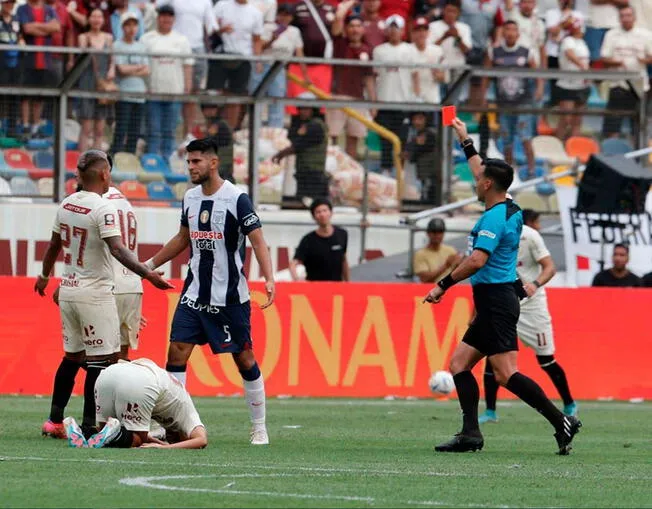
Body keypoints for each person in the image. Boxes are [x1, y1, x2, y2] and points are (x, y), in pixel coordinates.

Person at [423, 117, 581, 455]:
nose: (475, 179)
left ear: (488, 185)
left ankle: (561, 421)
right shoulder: (507, 206)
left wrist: (442, 285)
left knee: (507, 374)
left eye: (479, 178)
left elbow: (477, 261)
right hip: (497, 297)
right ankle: (470, 434)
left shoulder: (494, 218)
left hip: (496, 300)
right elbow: (485, 168)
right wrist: (465, 140)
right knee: (459, 365)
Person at [142, 137, 275, 445]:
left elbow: (258, 241)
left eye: (196, 161)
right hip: (194, 294)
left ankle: (259, 426)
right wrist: (147, 265)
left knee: (244, 359)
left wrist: (269, 279)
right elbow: (182, 238)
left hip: (230, 298)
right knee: (176, 353)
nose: (191, 167)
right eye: (188, 162)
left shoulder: (237, 199)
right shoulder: (189, 198)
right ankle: (175, 424)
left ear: (213, 163)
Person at [36, 150, 172, 440]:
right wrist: (147, 273)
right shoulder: (104, 207)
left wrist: (45, 276)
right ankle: (90, 427)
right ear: (104, 174)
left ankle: (55, 421)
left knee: (72, 357)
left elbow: (52, 247)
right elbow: (118, 250)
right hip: (96, 294)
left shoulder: (67, 203)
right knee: (104, 363)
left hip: (69, 291)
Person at [479, 209, 577, 425]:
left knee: (545, 359)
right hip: (504, 305)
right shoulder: (490, 234)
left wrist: (535, 284)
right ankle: (490, 411)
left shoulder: (530, 235)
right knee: (493, 356)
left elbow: (549, 267)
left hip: (532, 306)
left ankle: (569, 403)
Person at [64, 358, 207, 449]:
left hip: (109, 374)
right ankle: (116, 434)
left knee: (104, 431)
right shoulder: (188, 412)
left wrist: (161, 443)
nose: (169, 439)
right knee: (138, 440)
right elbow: (201, 440)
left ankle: (81, 432)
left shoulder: (174, 391)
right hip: (140, 381)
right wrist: (166, 447)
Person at [485, 20, 542, 176]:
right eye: (507, 29)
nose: (510, 32)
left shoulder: (526, 51)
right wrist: (483, 95)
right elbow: (485, 75)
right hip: (503, 104)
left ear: (518, 33)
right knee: (507, 140)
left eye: (513, 29)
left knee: (525, 138)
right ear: (503, 32)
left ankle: (531, 171)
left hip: (524, 102)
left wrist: (540, 89)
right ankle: (508, 172)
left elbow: (538, 74)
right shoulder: (494, 52)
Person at [155, 0, 216, 138]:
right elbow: (158, 8)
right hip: (174, 46)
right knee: (172, 90)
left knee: (191, 94)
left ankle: (187, 135)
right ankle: (168, 134)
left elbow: (211, 26)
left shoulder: (206, 2)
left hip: (197, 49)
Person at [141, 4, 193, 158]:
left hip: (175, 91)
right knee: (153, 130)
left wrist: (187, 87)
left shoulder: (181, 40)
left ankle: (167, 161)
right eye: (163, 15)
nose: (166, 19)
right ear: (158, 18)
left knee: (170, 130)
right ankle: (152, 161)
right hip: (153, 91)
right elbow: (142, 64)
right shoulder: (147, 39)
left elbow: (188, 65)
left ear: (173, 19)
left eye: (169, 16)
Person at [329, 4, 376, 159]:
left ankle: (350, 173)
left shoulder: (367, 49)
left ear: (363, 29)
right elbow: (337, 19)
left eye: (358, 26)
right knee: (332, 137)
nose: (355, 29)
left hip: (358, 99)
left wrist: (373, 102)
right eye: (351, 26)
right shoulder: (340, 44)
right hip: (337, 97)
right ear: (346, 28)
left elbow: (369, 78)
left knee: (353, 140)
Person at [251, 3, 309, 129]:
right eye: (281, 14)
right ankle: (254, 128)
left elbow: (300, 54)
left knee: (277, 99)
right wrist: (272, 39)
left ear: (292, 17)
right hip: (263, 65)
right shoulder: (268, 27)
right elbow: (259, 47)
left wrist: (305, 75)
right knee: (257, 99)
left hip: (279, 68)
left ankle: (275, 130)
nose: (284, 18)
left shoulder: (294, 31)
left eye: (287, 15)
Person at [103, 184, 144, 361]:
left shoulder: (99, 202)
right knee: (123, 353)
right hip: (132, 285)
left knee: (99, 352)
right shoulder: (126, 203)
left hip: (108, 283)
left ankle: (102, 388)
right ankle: (122, 388)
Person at [600, 5, 652, 139]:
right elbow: (604, 58)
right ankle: (610, 153)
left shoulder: (645, 35)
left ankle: (639, 155)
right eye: (622, 16)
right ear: (619, 18)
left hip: (639, 86)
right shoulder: (611, 34)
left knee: (639, 124)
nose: (625, 19)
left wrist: (644, 60)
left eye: (628, 15)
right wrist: (618, 63)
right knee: (613, 122)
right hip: (618, 83)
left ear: (634, 17)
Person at [210, 0, 263, 130]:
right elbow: (210, 28)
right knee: (213, 95)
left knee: (236, 97)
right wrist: (221, 30)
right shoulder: (222, 5)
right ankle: (211, 130)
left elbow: (257, 39)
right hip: (221, 54)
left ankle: (229, 133)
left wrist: (258, 60)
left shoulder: (255, 13)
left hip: (243, 58)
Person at [372, 14, 414, 175]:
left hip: (403, 102)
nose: (394, 31)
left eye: (397, 28)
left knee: (402, 140)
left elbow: (415, 75)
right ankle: (385, 172)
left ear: (403, 30)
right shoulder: (379, 51)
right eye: (392, 28)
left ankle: (400, 172)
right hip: (384, 101)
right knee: (385, 142)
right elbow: (374, 76)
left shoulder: (410, 50)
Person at [16, 0, 60, 138]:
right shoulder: (22, 8)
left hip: (45, 61)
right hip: (28, 59)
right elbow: (26, 28)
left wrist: (36, 26)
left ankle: (35, 126)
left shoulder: (49, 9)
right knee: (25, 95)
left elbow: (56, 27)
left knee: (39, 96)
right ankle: (25, 126)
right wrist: (46, 28)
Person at [272, 102, 329, 202]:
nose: (303, 112)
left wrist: (281, 154)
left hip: (313, 173)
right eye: (301, 109)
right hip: (304, 171)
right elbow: (292, 137)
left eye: (306, 109)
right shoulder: (304, 124)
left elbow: (300, 144)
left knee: (312, 201)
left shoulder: (315, 126)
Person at [77, 8, 114, 152]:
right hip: (87, 81)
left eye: (99, 16)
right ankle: (82, 161)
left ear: (103, 20)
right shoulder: (83, 37)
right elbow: (81, 57)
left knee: (100, 128)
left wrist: (111, 69)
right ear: (89, 19)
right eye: (93, 16)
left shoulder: (108, 37)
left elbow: (112, 58)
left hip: (103, 84)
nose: (97, 19)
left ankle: (96, 160)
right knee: (86, 127)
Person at [112, 12, 149, 154]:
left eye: (134, 24)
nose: (131, 28)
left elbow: (147, 70)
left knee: (135, 130)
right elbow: (121, 69)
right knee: (121, 129)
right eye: (128, 25)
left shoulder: (141, 46)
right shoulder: (117, 45)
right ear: (122, 27)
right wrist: (138, 67)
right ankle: (115, 157)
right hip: (123, 94)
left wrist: (131, 70)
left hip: (140, 94)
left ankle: (130, 157)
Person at [289, 198, 349, 281]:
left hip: (336, 288)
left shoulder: (342, 234)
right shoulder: (308, 240)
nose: (322, 214)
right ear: (314, 217)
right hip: (314, 289)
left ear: (331, 213)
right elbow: (293, 264)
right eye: (318, 212)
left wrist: (348, 283)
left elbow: (344, 260)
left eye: (325, 210)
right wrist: (297, 281)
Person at [555, 16, 590, 140]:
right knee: (565, 119)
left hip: (582, 85)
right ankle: (558, 144)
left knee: (578, 120)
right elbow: (569, 54)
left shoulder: (583, 42)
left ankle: (574, 147)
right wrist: (582, 67)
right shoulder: (568, 40)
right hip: (567, 85)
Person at [405, 112, 441, 203]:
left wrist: (415, 145)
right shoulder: (416, 134)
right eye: (414, 119)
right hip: (423, 172)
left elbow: (419, 149)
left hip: (431, 172)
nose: (417, 122)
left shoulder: (430, 134)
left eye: (420, 119)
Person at [410, 16, 445, 107]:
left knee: (448, 104)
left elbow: (443, 78)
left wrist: (436, 73)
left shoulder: (437, 51)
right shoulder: (406, 50)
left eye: (424, 30)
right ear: (412, 33)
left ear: (428, 33)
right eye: (418, 30)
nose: (421, 33)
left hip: (432, 99)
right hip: (411, 100)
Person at [413, 217, 460, 283]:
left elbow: (457, 275)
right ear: (428, 233)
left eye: (440, 232)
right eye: (434, 232)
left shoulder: (450, 250)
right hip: (430, 291)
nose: (437, 235)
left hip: (450, 289)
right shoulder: (420, 254)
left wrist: (459, 264)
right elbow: (424, 279)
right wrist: (446, 266)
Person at [0, 0, 21, 139]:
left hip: (15, 65)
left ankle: (12, 128)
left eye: (12, 4)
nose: (10, 6)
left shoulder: (16, 21)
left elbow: (20, 37)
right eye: (7, 3)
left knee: (14, 96)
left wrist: (21, 41)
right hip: (1, 64)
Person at [504, 0, 546, 68]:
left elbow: (542, 48)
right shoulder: (512, 15)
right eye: (524, 2)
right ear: (519, 4)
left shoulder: (539, 23)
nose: (527, 5)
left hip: (534, 67)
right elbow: (508, 5)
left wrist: (544, 72)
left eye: (530, 2)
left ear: (535, 4)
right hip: (514, 64)